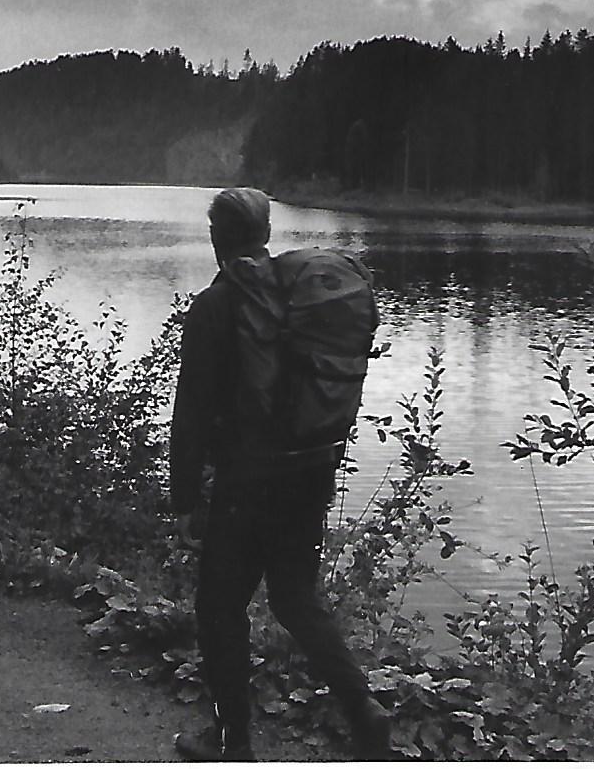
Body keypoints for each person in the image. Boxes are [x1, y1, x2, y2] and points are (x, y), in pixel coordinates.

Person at [169, 186, 391, 762]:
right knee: (294, 599)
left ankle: (233, 743)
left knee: (220, 608)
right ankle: (364, 710)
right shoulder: (297, 299)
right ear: (265, 234)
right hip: (312, 470)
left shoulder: (215, 307)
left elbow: (192, 411)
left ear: (215, 239)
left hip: (247, 481)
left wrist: (184, 497)